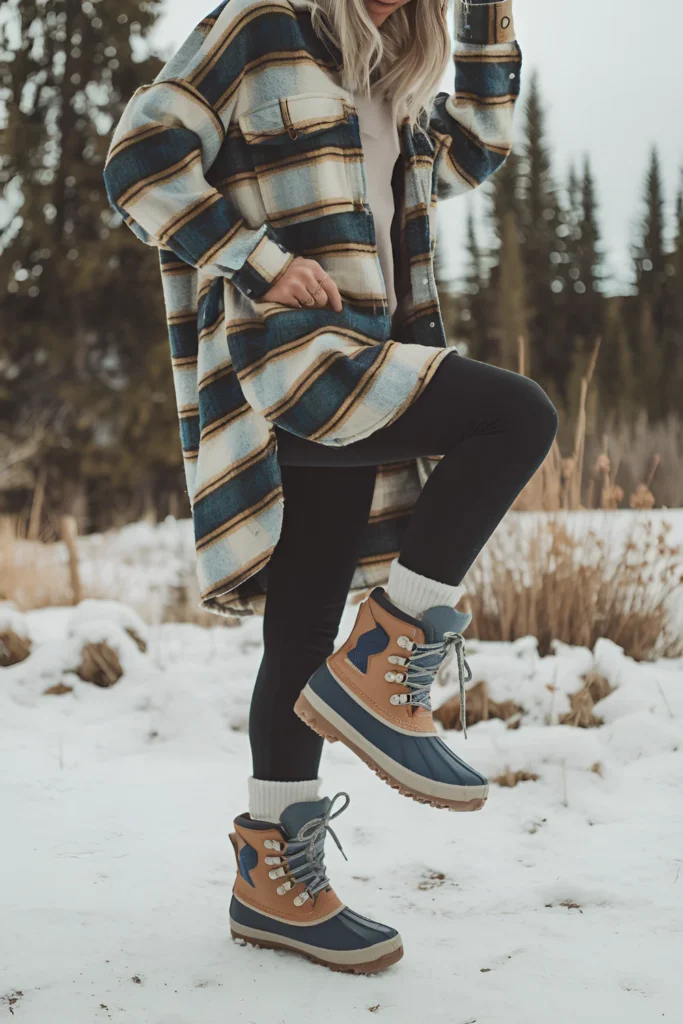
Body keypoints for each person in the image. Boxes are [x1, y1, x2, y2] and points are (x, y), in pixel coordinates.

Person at [104, 0, 557, 974]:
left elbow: (478, 144)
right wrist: (260, 260)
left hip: (372, 356)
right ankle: (387, 652)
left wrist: (487, 18)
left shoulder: (389, 71)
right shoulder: (259, 27)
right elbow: (138, 159)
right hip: (298, 361)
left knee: (303, 624)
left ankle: (274, 880)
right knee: (514, 416)